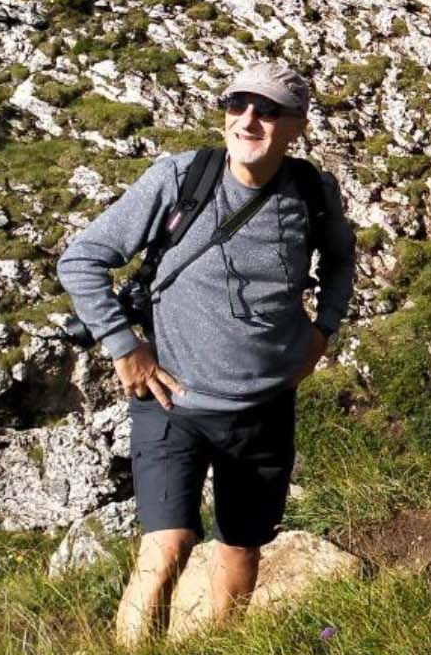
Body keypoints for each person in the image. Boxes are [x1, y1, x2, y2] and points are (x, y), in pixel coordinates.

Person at [58, 62, 353, 646]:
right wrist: (125, 346)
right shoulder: (181, 178)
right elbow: (82, 259)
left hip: (263, 407)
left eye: (267, 110)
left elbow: (341, 262)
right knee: (165, 547)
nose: (248, 120)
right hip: (172, 399)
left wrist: (325, 329)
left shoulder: (311, 193)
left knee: (241, 545)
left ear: (296, 124)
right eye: (237, 104)